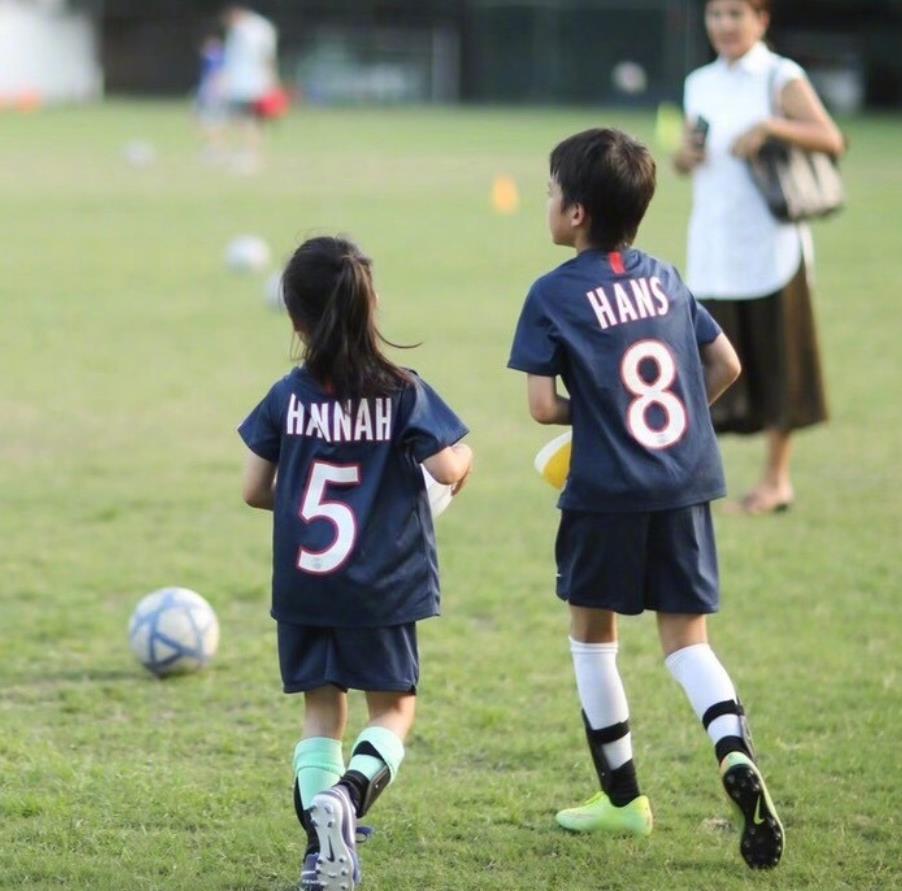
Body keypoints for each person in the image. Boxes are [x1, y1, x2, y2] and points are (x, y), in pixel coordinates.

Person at [508, 128, 783, 870]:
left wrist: (600, 412)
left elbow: (541, 406)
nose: (547, 201)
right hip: (685, 477)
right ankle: (732, 751)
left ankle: (623, 799)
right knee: (687, 642)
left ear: (574, 215)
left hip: (606, 488)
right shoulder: (664, 275)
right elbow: (723, 362)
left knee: (592, 635)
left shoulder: (552, 292)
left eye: (550, 190)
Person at [239, 235, 473, 891]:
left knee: (322, 713)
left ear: (296, 320)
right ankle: (347, 796)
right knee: (393, 710)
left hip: (308, 583)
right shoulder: (403, 391)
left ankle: (323, 851)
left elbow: (255, 487)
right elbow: (448, 466)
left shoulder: (288, 395)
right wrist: (462, 471)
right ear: (370, 309)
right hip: (383, 587)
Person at [673, 0, 845, 514]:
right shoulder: (699, 81)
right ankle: (693, 478)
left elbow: (831, 137)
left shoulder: (779, 75)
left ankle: (776, 481)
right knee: (700, 367)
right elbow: (685, 160)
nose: (724, 25)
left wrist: (773, 128)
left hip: (770, 248)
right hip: (712, 243)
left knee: (777, 364)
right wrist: (686, 155)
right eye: (716, 14)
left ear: (762, 20)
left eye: (736, 14)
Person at [220, 5, 279, 172]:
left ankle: (252, 155)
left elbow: (267, 56)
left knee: (250, 120)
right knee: (242, 120)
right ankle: (248, 153)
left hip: (252, 83)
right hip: (240, 83)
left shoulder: (258, 28)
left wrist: (271, 81)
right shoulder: (239, 29)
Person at [195, 33, 227, 160]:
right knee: (208, 121)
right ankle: (215, 148)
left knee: (208, 121)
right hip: (214, 92)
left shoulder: (213, 57)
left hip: (212, 93)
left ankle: (216, 149)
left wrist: (213, 92)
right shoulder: (221, 56)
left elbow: (216, 75)